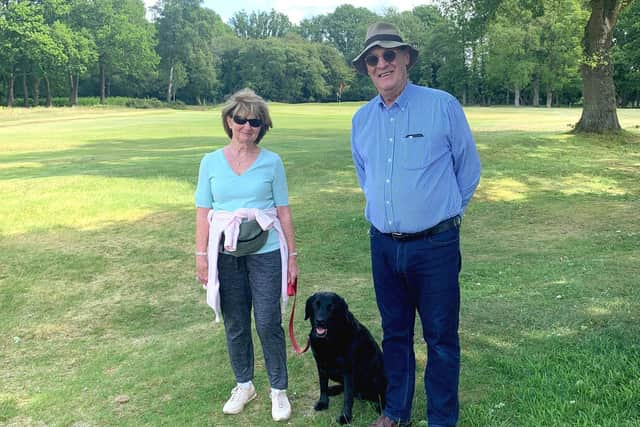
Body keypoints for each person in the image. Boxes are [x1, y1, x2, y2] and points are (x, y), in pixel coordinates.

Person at [350, 23, 482, 427]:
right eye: (373, 59)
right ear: (367, 69)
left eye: (389, 54)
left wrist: (442, 215)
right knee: (394, 334)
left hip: (435, 246)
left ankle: (442, 419)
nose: (382, 63)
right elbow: (365, 176)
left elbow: (469, 169)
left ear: (406, 57)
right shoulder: (361, 119)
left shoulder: (442, 105)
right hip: (384, 246)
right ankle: (395, 412)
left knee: (441, 339)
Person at [194, 88, 298, 422]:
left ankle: (278, 390)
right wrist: (201, 255)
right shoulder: (210, 162)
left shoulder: (272, 162)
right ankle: (244, 384)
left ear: (262, 126)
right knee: (236, 322)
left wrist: (292, 256)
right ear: (229, 120)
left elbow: (283, 211)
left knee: (268, 321)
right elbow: (202, 212)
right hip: (225, 252)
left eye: (255, 121)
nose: (247, 126)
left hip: (266, 250)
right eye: (241, 119)